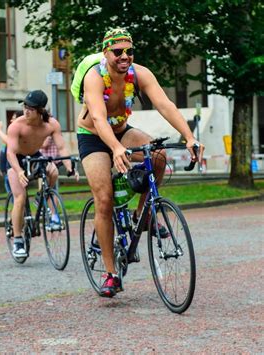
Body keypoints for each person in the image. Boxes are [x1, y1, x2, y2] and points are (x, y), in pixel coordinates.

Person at [76, 28, 204, 297]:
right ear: (105, 52)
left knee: (158, 156)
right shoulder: (94, 77)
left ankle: (142, 214)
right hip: (93, 136)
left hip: (122, 130)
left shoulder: (139, 73)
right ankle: (111, 273)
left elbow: (165, 104)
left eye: (129, 51)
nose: (124, 56)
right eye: (118, 52)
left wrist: (190, 137)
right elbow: (98, 119)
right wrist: (115, 147)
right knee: (104, 198)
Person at [6, 90, 79, 258]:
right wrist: (18, 171)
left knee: (52, 170)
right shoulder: (17, 125)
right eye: (24, 107)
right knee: (20, 198)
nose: (26, 111)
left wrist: (70, 168)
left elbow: (61, 148)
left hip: (35, 156)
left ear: (40, 111)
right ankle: (18, 240)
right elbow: (10, 153)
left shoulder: (51, 124)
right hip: (16, 159)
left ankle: (42, 195)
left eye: (30, 108)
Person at [0, 110, 23, 193]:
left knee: (16, 196)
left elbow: (7, 141)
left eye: (13, 118)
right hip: (8, 169)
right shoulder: (14, 131)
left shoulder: (19, 131)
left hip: (13, 169)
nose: (11, 120)